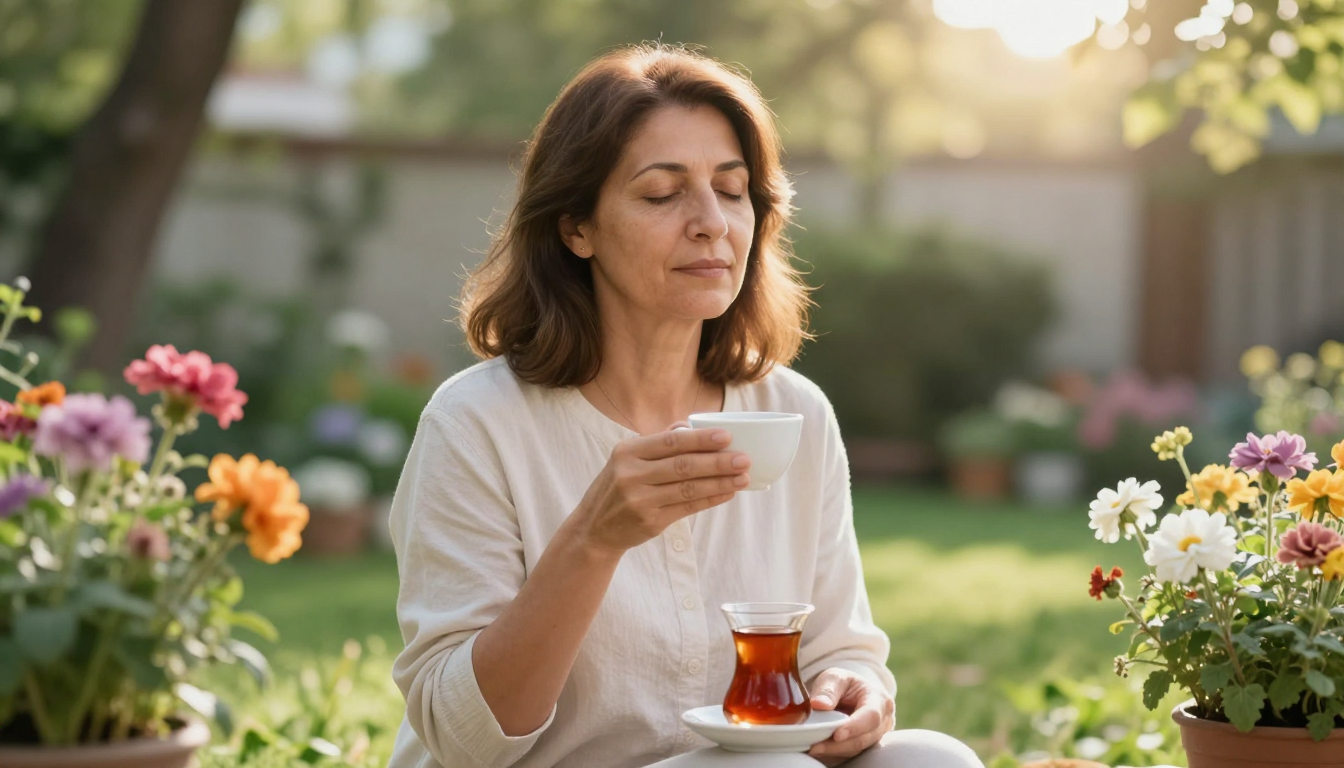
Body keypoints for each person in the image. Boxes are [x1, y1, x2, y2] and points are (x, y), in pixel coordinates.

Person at [387, 43, 984, 768]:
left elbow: (841, 650)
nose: (712, 222)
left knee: (934, 761)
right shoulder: (477, 423)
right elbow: (462, 737)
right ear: (577, 227)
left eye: (731, 190)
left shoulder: (793, 411)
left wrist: (854, 691)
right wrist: (593, 540)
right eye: (663, 194)